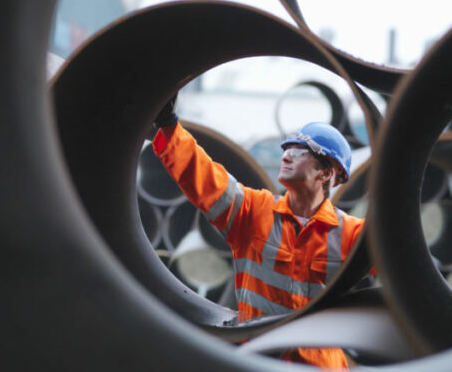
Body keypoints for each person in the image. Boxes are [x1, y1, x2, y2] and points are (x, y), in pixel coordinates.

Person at [152, 94, 364, 369]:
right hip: (258, 361)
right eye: (286, 148)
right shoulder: (253, 212)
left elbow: (400, 259)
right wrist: (168, 125)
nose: (285, 155)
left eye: (300, 151)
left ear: (327, 173)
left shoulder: (351, 234)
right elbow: (203, 178)